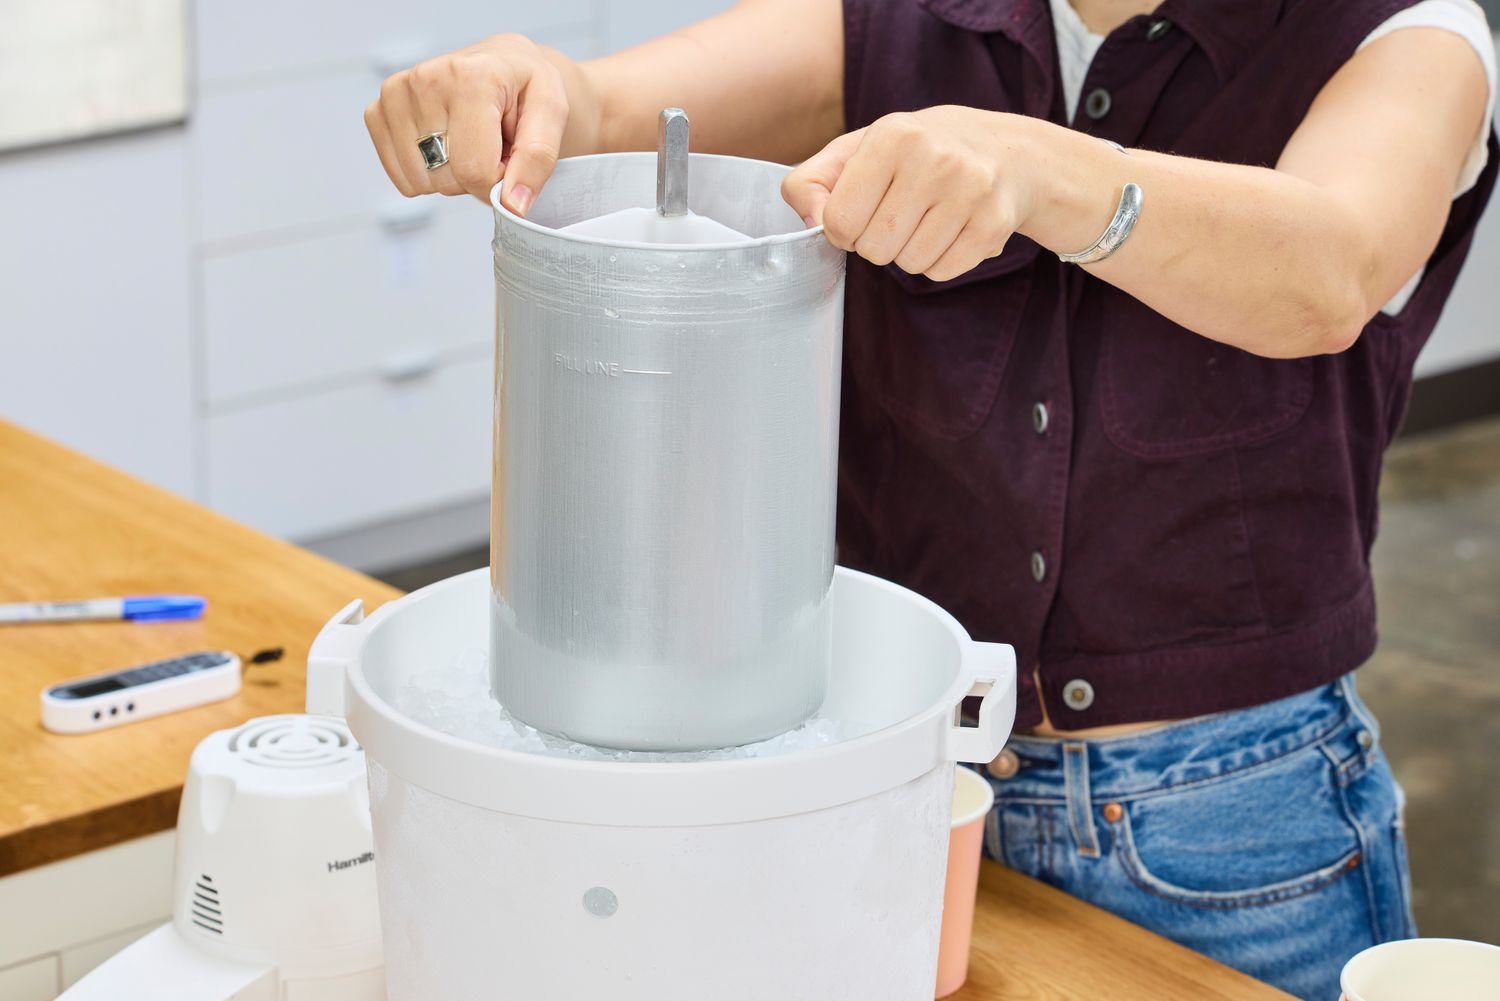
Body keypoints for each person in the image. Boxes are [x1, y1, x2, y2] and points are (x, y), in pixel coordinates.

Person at [365, 1, 1496, 996]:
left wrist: (1042, 171)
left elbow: (1329, 269)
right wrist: (519, 89)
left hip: (1235, 825)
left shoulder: (1408, 38)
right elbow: (603, 106)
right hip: (892, 784)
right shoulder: (904, 19)